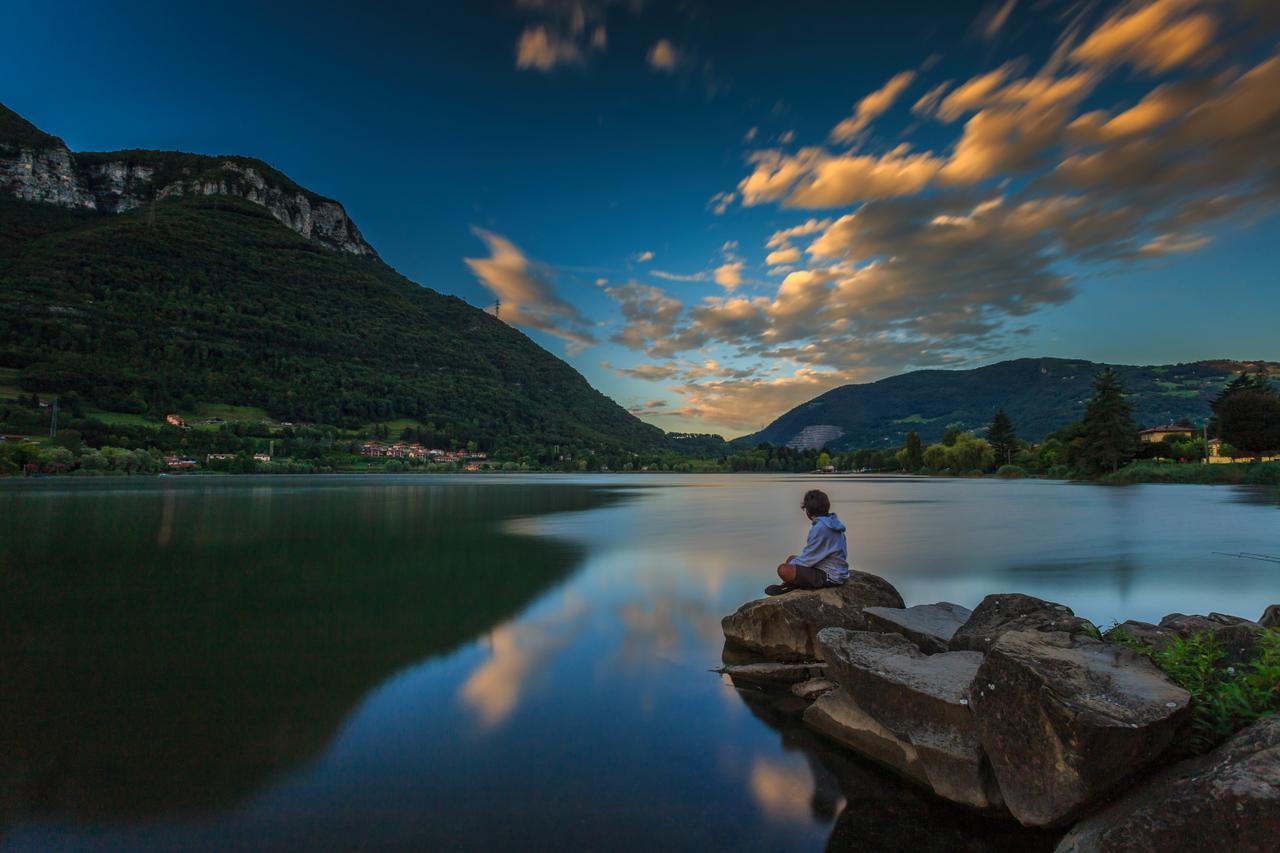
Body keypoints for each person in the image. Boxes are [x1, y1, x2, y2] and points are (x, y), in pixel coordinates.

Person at [766, 489, 849, 595]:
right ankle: (791, 585)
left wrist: (790, 567)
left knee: (783, 569)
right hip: (837, 571)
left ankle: (790, 586)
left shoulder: (820, 528)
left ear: (808, 511)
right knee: (791, 558)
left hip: (830, 576)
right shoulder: (833, 522)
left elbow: (809, 559)